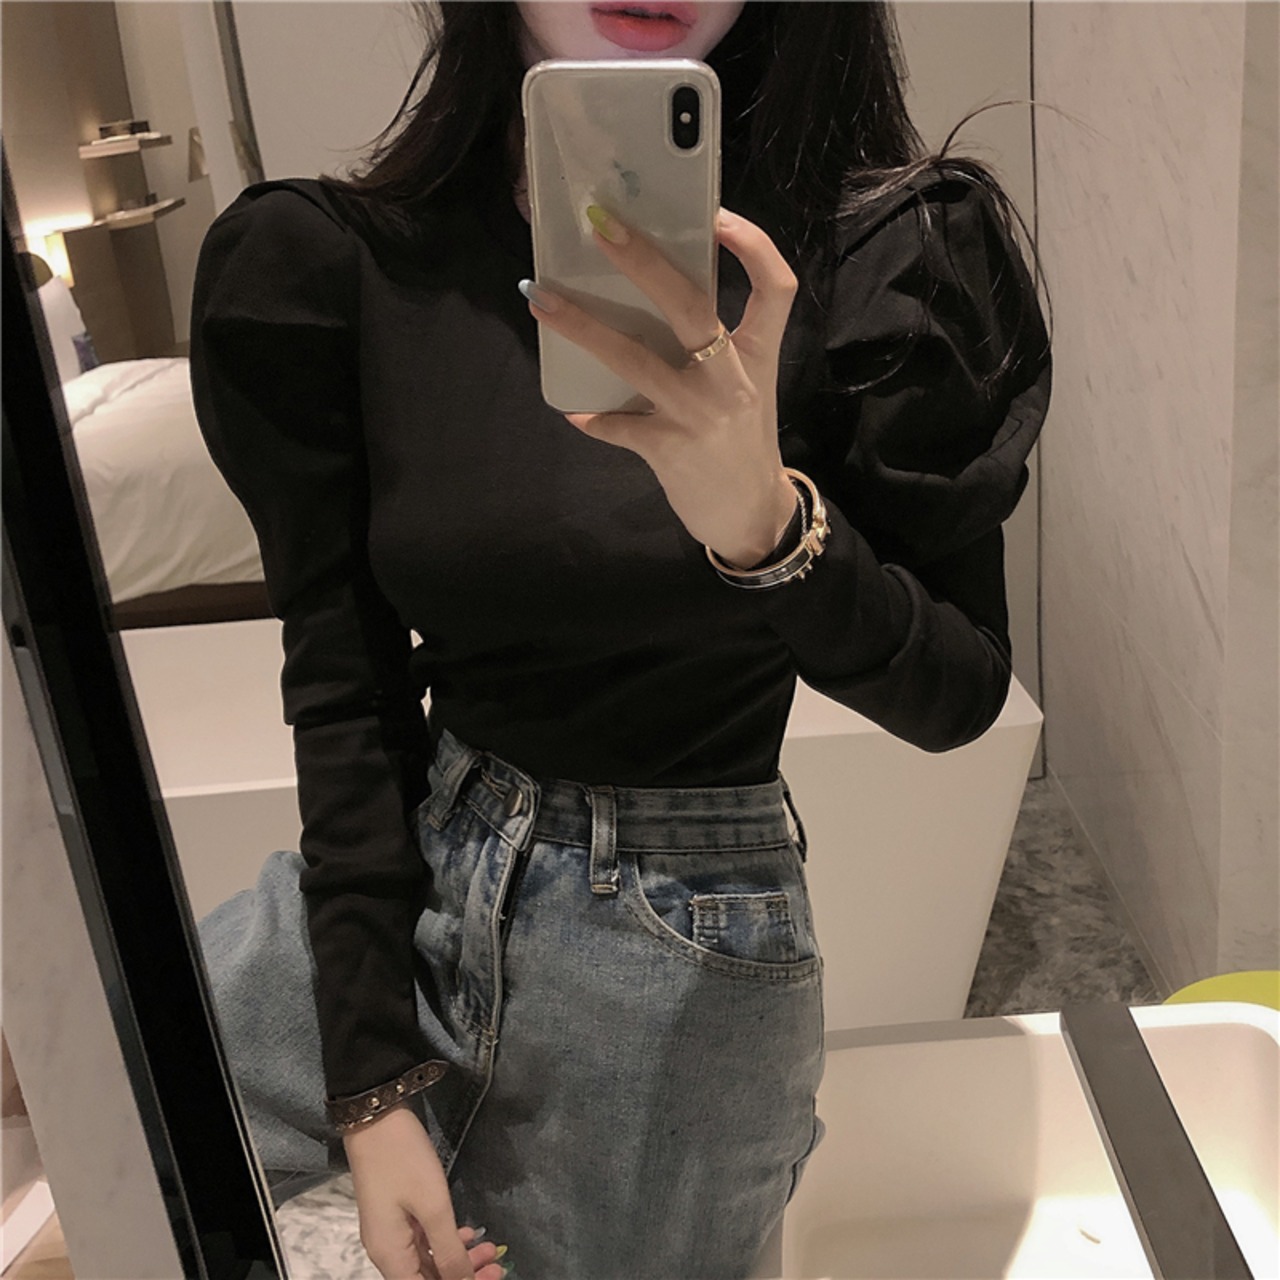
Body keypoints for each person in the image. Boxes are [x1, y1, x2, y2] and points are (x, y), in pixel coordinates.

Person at [189, 3, 1051, 1278]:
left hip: (669, 947)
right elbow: (345, 683)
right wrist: (369, 1082)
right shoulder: (338, 263)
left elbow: (957, 689)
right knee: (89, 1091)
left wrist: (765, 526)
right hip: (414, 860)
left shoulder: (878, 252)